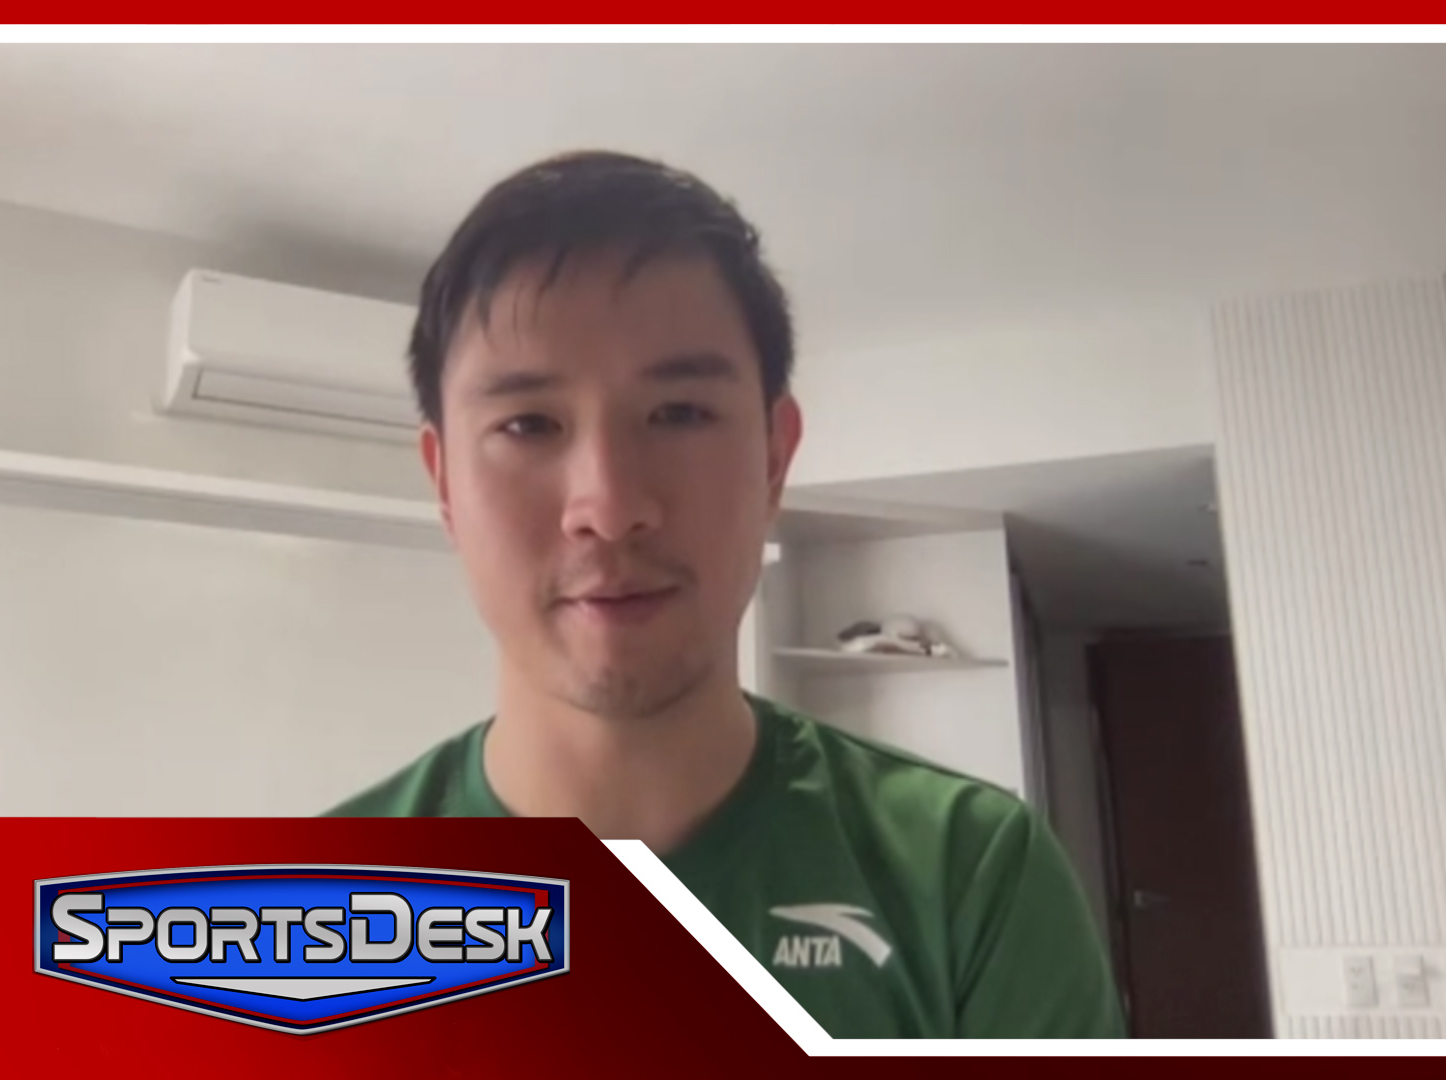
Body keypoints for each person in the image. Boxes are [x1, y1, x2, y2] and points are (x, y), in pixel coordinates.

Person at [326, 151, 1124, 1039]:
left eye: (679, 414)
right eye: (528, 424)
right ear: (444, 481)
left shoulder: (968, 876)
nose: (609, 507)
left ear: (774, 458)